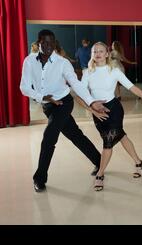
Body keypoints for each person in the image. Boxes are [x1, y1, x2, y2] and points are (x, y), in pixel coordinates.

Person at [20, 30, 108, 192]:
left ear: (55, 43)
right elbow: (24, 87)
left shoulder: (62, 62)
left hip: (63, 103)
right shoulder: (29, 61)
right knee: (75, 135)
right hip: (47, 105)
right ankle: (99, 160)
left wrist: (91, 102)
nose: (48, 46)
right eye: (45, 42)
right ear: (38, 42)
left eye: (51, 42)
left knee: (49, 137)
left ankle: (39, 178)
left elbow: (76, 84)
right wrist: (42, 97)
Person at [81, 42, 142, 191]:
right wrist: (92, 109)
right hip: (98, 112)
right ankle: (138, 162)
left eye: (101, 51)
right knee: (121, 136)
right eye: (94, 52)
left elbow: (133, 88)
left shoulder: (115, 71)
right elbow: (81, 94)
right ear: (91, 55)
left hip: (114, 110)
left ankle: (100, 174)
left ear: (107, 54)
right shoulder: (87, 72)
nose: (97, 54)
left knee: (108, 142)